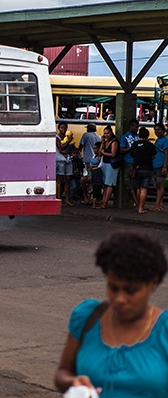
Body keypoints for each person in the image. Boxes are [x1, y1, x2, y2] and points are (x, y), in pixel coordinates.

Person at [54, 230, 168, 396]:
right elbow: (63, 372)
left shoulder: (164, 331)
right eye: (113, 288)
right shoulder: (87, 317)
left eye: (131, 291)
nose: (120, 299)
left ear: (153, 283)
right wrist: (72, 383)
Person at [131, 127, 156, 214]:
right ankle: (141, 208)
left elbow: (132, 155)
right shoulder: (150, 145)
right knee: (144, 189)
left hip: (137, 169)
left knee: (138, 188)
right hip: (147, 168)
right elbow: (153, 156)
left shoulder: (134, 144)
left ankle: (138, 205)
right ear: (147, 135)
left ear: (139, 135)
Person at [120, 119, 140, 208]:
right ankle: (136, 202)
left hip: (138, 162)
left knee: (137, 184)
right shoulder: (125, 137)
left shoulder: (139, 137)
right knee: (129, 183)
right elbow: (121, 149)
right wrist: (131, 148)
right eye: (135, 127)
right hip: (128, 162)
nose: (137, 129)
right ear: (131, 126)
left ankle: (138, 202)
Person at [98, 126, 120, 209]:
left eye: (108, 133)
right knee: (105, 184)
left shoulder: (114, 142)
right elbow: (99, 153)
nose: (106, 135)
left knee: (109, 184)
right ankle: (103, 201)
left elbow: (113, 154)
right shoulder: (106, 142)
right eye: (105, 133)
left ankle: (105, 203)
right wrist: (102, 143)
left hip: (111, 165)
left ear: (111, 133)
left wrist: (104, 153)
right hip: (105, 164)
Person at [149, 123, 168, 211]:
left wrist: (164, 166)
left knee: (160, 185)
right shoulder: (157, 140)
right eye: (155, 130)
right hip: (156, 164)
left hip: (161, 165)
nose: (157, 132)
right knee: (158, 185)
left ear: (163, 131)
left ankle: (157, 205)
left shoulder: (165, 140)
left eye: (159, 130)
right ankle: (160, 205)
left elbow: (167, 154)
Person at [56, 122, 74, 206]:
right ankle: (59, 198)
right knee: (59, 180)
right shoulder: (57, 137)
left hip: (68, 160)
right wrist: (68, 141)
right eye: (62, 128)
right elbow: (60, 148)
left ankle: (67, 200)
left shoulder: (67, 137)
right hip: (60, 160)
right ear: (59, 128)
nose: (63, 130)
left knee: (67, 180)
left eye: (65, 128)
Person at [89, 141, 104, 209]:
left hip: (96, 179)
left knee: (96, 192)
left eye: (95, 148)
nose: (94, 150)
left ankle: (95, 204)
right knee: (96, 193)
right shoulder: (95, 157)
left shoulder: (100, 157)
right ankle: (94, 205)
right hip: (96, 179)